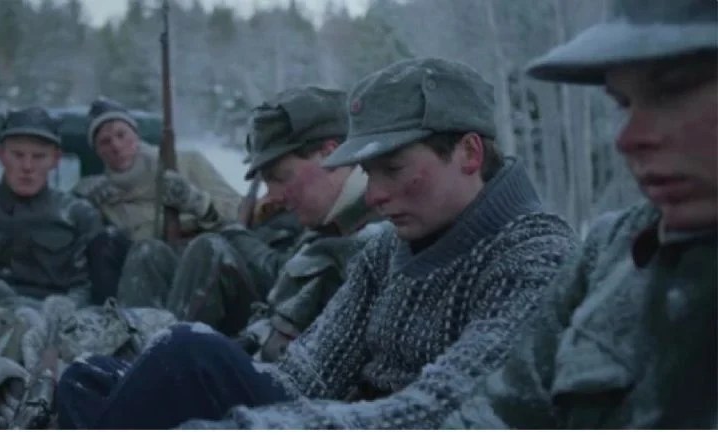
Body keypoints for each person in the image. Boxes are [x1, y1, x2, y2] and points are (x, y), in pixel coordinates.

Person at [56, 58, 578, 429]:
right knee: (90, 378)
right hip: (338, 418)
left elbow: (448, 410)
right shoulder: (387, 248)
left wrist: (246, 425)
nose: (374, 194)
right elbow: (309, 373)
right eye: (369, 172)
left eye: (393, 169)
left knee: (186, 355)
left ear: (468, 153)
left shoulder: (536, 256)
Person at [441, 0, 717, 429]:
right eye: (624, 103)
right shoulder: (612, 251)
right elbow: (496, 415)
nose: (628, 137)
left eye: (673, 92)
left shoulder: (533, 249)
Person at [113, 86, 386, 344]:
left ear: (331, 153)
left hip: (278, 341)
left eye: (281, 177)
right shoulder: (322, 211)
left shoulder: (374, 227)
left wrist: (234, 233)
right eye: (267, 181)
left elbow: (288, 284)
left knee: (209, 250)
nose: (273, 194)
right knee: (149, 253)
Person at [0, 106, 103, 307]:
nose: (27, 167)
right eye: (18, 155)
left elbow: (92, 285)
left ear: (55, 159)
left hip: (52, 317)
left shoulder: (79, 215)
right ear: (1, 155)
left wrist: (66, 307)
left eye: (39, 157)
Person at [73, 97, 242, 242]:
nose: (116, 146)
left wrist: (198, 203)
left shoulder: (188, 163)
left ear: (136, 136)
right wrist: (80, 200)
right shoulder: (103, 197)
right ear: (98, 151)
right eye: (105, 142)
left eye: (121, 135)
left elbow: (241, 212)